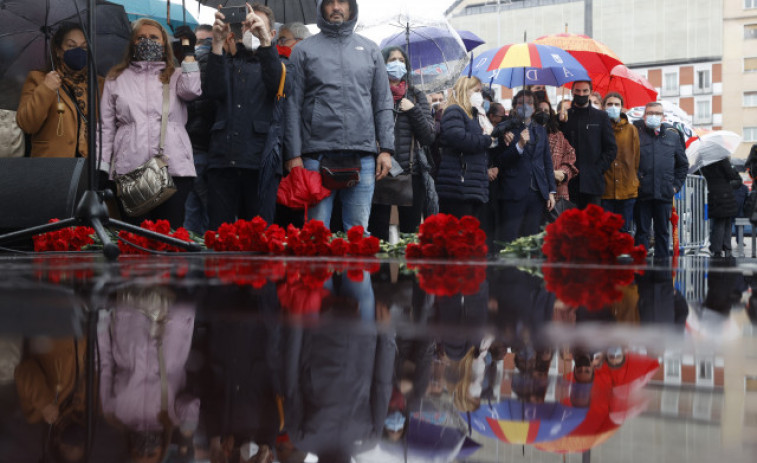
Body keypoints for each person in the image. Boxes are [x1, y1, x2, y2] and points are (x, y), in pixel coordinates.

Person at [284, 0, 394, 232]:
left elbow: (383, 102)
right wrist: (293, 154)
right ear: (321, 7)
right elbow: (291, 105)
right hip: (315, 155)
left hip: (362, 155)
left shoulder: (371, 49)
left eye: (342, 2)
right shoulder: (303, 50)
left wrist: (386, 149)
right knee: (316, 235)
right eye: (330, 2)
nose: (336, 7)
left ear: (351, 6)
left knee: (358, 235)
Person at [99, 18, 201, 229]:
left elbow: (192, 91)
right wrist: (102, 168)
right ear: (132, 43)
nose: (147, 41)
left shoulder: (176, 75)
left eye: (154, 37)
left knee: (171, 236)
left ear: (164, 43)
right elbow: (106, 128)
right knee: (135, 239)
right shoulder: (115, 78)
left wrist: (189, 52)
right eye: (141, 38)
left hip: (174, 168)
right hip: (130, 169)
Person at [204, 3, 284, 229]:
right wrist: (217, 43)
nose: (252, 30)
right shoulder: (225, 61)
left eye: (257, 25)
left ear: (271, 32)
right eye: (248, 25)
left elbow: (276, 86)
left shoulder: (280, 64)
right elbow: (212, 91)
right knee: (220, 239)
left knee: (260, 239)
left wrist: (265, 43)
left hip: (260, 162)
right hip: (223, 161)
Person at [368, 47, 435, 241]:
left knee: (410, 237)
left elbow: (429, 137)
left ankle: (407, 272)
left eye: (401, 60)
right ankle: (381, 273)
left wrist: (413, 111)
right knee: (378, 236)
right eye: (392, 60)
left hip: (410, 175)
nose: (397, 63)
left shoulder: (416, 96)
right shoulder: (375, 94)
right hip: (380, 172)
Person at [16, 23, 103, 158]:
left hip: (88, 168)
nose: (78, 51)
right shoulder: (38, 79)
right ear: (58, 50)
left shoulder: (99, 84)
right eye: (71, 46)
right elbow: (27, 124)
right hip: (51, 167)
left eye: (85, 47)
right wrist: (46, 89)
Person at [491, 90, 557, 243]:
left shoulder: (540, 129)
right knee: (510, 239)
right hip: (513, 192)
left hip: (536, 193)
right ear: (514, 107)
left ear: (534, 108)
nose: (524, 106)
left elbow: (546, 161)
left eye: (528, 103)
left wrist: (551, 191)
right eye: (520, 103)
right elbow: (499, 161)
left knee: (531, 240)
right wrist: (519, 146)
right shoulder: (505, 129)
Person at [633, 102, 689, 259]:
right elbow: (630, 161)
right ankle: (640, 269)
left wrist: (676, 186)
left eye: (657, 113)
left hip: (664, 193)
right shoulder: (636, 134)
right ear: (644, 116)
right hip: (642, 193)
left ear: (663, 117)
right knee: (642, 232)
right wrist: (637, 181)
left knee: (662, 232)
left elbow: (682, 165)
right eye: (650, 113)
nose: (653, 116)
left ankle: (662, 270)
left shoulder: (673, 136)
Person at [436, 76, 493, 219]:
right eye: (476, 90)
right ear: (464, 90)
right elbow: (459, 139)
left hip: (473, 185)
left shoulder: (475, 116)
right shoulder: (454, 111)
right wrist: (487, 140)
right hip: (458, 185)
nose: (480, 95)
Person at [560, 80, 617, 209]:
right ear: (572, 92)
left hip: (593, 183)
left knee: (592, 226)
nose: (581, 94)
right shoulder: (564, 117)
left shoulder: (601, 117)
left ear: (590, 92)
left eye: (585, 91)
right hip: (569, 183)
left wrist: (598, 169)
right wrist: (560, 122)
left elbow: (611, 149)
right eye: (578, 91)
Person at [181, 24, 214, 235]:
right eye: (199, 43)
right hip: (199, 146)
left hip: (198, 145)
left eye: (206, 42)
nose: (202, 47)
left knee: (193, 207)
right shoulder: (186, 65)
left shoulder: (188, 63)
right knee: (205, 207)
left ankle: (190, 251)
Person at [601, 92, 640, 234]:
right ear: (603, 107)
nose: (613, 107)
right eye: (609, 104)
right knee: (605, 232)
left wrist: (633, 180)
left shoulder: (632, 130)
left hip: (627, 191)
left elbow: (636, 160)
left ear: (622, 108)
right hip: (605, 191)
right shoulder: (599, 128)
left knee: (623, 232)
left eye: (616, 104)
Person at [535, 99, 577, 202]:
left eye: (546, 111)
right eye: (539, 110)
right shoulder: (528, 134)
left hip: (557, 190)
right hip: (535, 190)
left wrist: (563, 173)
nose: (543, 113)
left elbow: (570, 156)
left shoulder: (558, 136)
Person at [700, 158, 742, 257]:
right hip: (725, 194)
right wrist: (733, 168)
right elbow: (731, 175)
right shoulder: (721, 158)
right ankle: (719, 249)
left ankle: (724, 247)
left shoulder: (703, 161)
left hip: (713, 194)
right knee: (723, 222)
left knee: (722, 221)